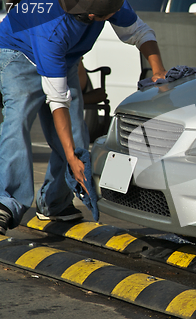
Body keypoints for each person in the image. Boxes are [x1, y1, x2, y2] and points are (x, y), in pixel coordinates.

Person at [0, 0, 168, 235]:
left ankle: (54, 203)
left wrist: (158, 69)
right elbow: (58, 103)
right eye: (110, 15)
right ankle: (6, 202)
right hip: (18, 51)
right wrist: (70, 157)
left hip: (65, 58)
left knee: (77, 136)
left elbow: (140, 32)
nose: (116, 14)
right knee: (18, 119)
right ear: (92, 15)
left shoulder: (109, 1)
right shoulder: (53, 30)